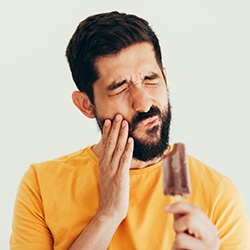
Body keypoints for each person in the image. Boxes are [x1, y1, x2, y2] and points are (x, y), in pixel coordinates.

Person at [10, 11, 250, 250]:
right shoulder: (41, 185)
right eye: (119, 87)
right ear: (86, 105)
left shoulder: (219, 194)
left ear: (165, 78)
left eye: (150, 78)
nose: (144, 102)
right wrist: (108, 214)